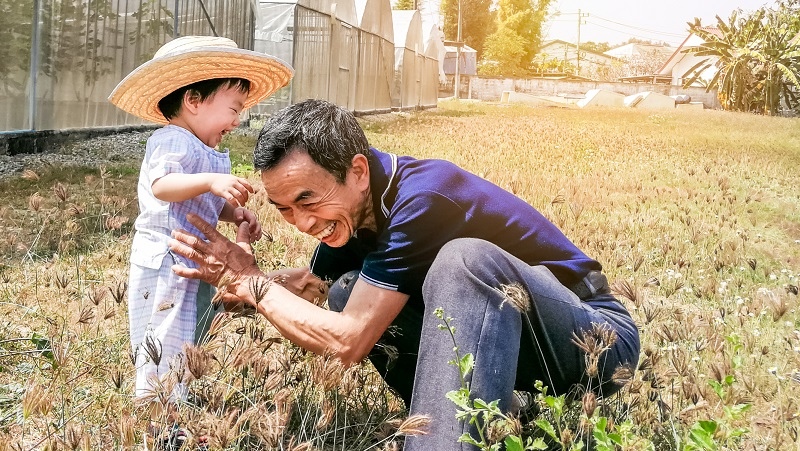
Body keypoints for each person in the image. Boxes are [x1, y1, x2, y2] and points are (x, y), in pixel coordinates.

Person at [169, 99, 641, 450]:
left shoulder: (424, 197)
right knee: (348, 290)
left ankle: (441, 442)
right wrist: (250, 281)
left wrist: (255, 287)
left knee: (465, 260)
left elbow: (349, 340)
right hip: (513, 342)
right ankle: (496, 408)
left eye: (308, 200)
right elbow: (317, 291)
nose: (303, 222)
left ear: (357, 170)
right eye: (284, 209)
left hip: (592, 341)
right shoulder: (351, 217)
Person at [107, 35, 293, 401]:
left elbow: (199, 199)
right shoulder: (173, 140)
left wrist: (233, 212)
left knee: (192, 328)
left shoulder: (205, 149)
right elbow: (163, 186)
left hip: (194, 259)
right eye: (234, 108)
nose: (237, 120)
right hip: (167, 260)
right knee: (164, 330)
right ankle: (159, 405)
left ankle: (180, 395)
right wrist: (211, 179)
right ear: (193, 100)